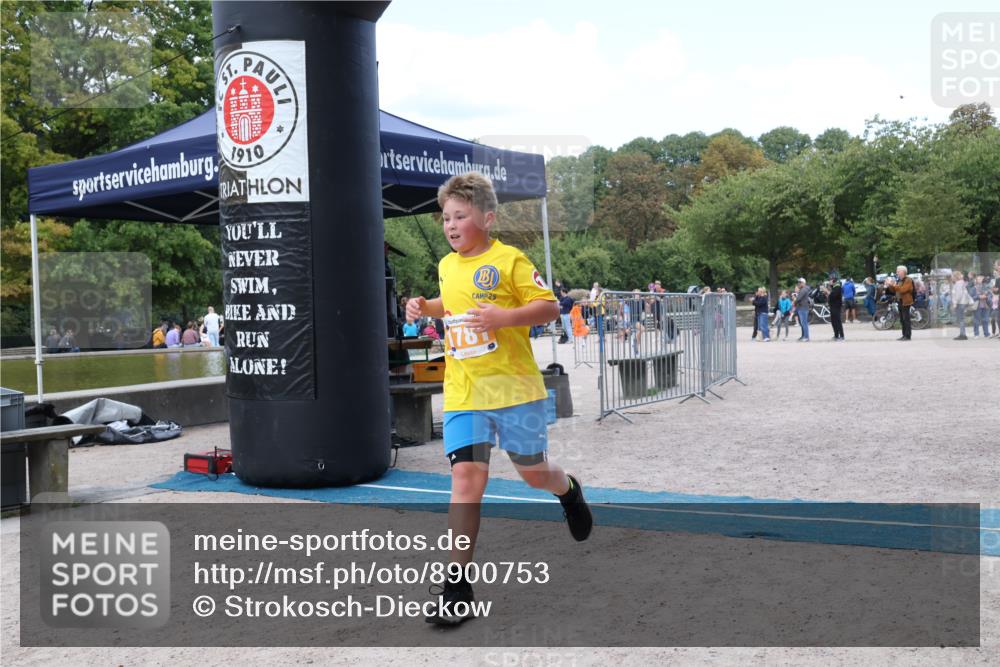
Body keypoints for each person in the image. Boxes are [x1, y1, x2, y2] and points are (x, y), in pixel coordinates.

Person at [405, 173, 591, 626]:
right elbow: (451, 305)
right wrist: (422, 306)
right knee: (467, 480)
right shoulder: (447, 266)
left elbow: (549, 307)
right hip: (465, 390)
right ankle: (457, 589)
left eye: (460, 216)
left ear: (487, 218)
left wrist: (504, 316)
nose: (450, 225)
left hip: (514, 391)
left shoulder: (510, 260)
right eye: (445, 217)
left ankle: (567, 490)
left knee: (532, 474)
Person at [884, 265, 914, 341]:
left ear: (903, 272)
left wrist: (894, 285)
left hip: (906, 302)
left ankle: (908, 336)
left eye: (898, 271)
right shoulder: (899, 280)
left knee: (906, 319)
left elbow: (903, 290)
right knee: (902, 319)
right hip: (900, 301)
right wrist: (890, 285)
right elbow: (894, 290)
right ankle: (904, 335)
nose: (897, 272)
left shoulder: (908, 280)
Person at [950, 270, 972, 340]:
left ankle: (963, 335)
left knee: (961, 319)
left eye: (952, 276)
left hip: (960, 303)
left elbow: (958, 295)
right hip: (962, 303)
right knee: (961, 319)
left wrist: (955, 303)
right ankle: (962, 334)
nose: (952, 277)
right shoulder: (961, 283)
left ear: (955, 276)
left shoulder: (958, 283)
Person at [828, 275, 844, 340]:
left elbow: (833, 296)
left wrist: (827, 291)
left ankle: (842, 336)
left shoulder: (837, 287)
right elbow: (830, 296)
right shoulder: (834, 287)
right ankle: (836, 335)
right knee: (833, 321)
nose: (829, 281)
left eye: (830, 280)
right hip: (833, 306)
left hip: (836, 306)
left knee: (837, 321)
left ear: (833, 280)